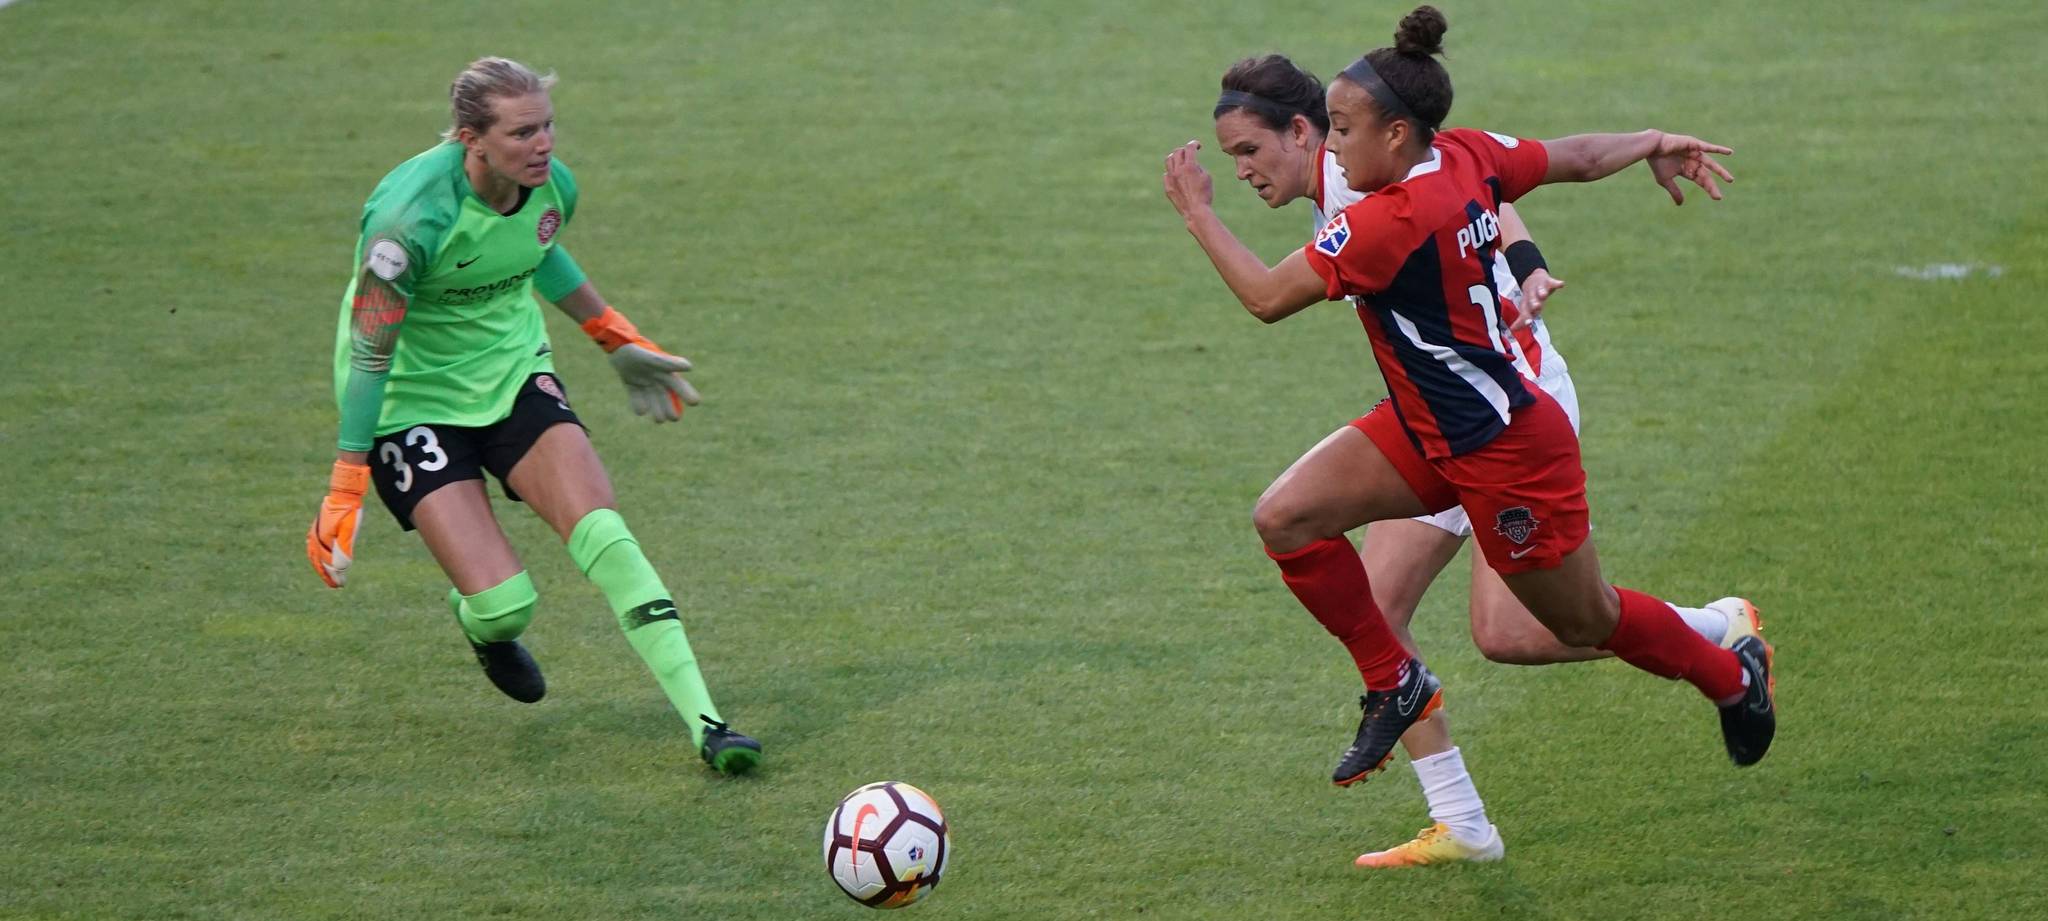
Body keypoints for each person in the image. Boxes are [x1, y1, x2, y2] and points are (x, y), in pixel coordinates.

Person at [1162, 5, 1776, 849]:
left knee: (1535, 628)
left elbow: (1270, 298)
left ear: (1311, 131)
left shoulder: (1374, 207)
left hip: (1502, 428)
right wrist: (1646, 146)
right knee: (1299, 529)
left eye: (1247, 151)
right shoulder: (1446, 153)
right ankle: (1456, 810)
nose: (1240, 170)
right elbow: (1543, 166)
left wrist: (1197, 213)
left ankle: (1720, 654)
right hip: (1430, 415)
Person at [303, 56, 761, 775]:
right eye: (522, 133)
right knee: (506, 605)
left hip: (512, 372)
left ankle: (710, 726)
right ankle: (482, 627)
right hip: (410, 401)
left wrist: (611, 334)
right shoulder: (407, 222)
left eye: (547, 125)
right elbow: (370, 352)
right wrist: (345, 482)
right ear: (471, 140)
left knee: (606, 534)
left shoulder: (551, 185)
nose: (542, 144)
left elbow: (537, 249)